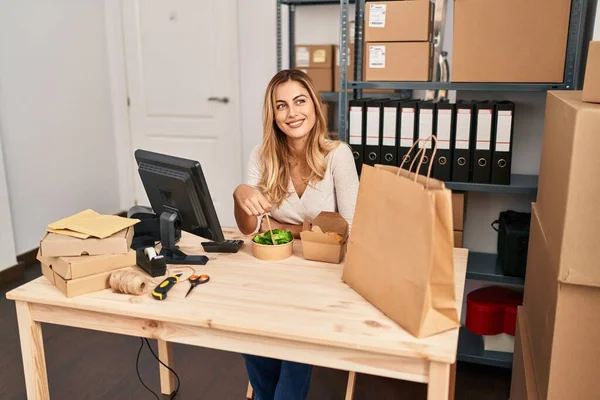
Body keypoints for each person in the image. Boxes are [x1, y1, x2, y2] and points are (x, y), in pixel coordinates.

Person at [232, 69, 359, 400]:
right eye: (282, 105)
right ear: (272, 114)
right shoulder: (261, 155)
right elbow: (252, 229)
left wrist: (288, 229)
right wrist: (240, 194)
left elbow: (349, 230)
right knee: (249, 332)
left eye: (300, 101)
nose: (292, 113)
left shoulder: (337, 155)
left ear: (315, 106)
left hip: (322, 276)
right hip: (274, 270)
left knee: (293, 344)